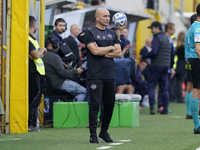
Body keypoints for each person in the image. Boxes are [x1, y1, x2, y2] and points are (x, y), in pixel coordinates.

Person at [84, 8, 121, 143]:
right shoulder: (89, 33)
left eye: (108, 16)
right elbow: (94, 51)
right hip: (95, 75)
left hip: (110, 74)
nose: (107, 18)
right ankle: (93, 135)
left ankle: (104, 132)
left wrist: (102, 51)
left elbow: (118, 53)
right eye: (105, 16)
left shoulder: (112, 33)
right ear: (97, 18)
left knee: (110, 104)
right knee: (95, 104)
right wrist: (110, 48)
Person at [139, 21, 175, 115]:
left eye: (152, 28)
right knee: (164, 88)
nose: (151, 30)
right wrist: (170, 67)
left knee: (152, 86)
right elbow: (172, 55)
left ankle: (152, 108)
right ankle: (165, 109)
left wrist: (143, 56)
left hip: (156, 66)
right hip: (165, 66)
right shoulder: (168, 39)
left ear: (157, 28)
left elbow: (154, 52)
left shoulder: (156, 38)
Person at [28, 16, 47, 131]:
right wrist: (42, 49)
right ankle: (31, 124)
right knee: (33, 99)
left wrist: (39, 53)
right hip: (33, 73)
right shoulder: (28, 39)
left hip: (38, 73)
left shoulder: (32, 39)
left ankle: (34, 123)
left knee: (36, 99)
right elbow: (36, 55)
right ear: (34, 25)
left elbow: (37, 55)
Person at [188, 3, 200, 134]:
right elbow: (198, 49)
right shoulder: (198, 28)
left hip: (195, 60)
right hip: (197, 61)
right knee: (197, 91)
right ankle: (197, 126)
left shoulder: (195, 26)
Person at [184, 14, 197, 119]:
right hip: (193, 59)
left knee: (190, 86)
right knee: (193, 87)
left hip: (188, 60)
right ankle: (190, 113)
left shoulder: (189, 31)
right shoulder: (195, 30)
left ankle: (189, 112)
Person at [174, 32, 186, 103]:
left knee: (178, 82)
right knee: (180, 82)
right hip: (182, 65)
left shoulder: (178, 46)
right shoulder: (183, 47)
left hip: (178, 65)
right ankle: (179, 98)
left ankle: (177, 97)